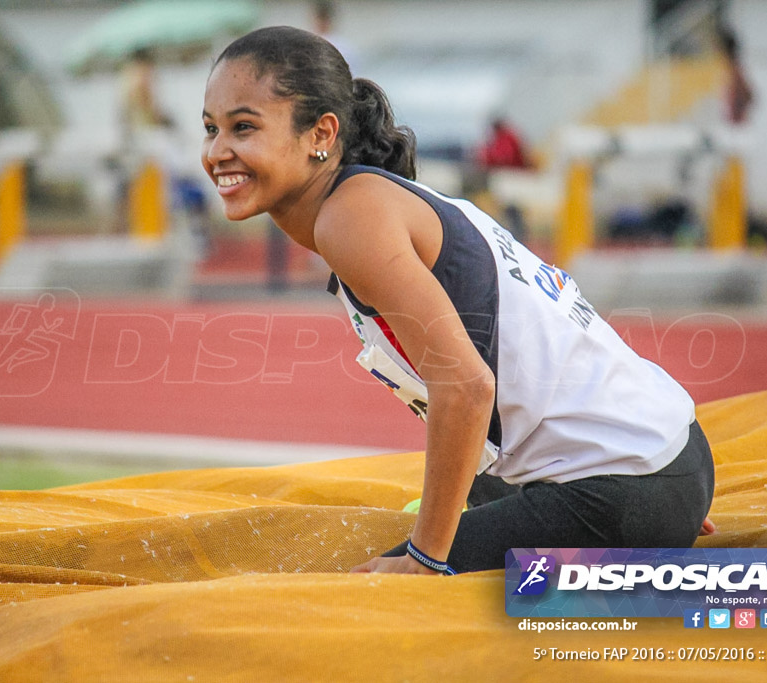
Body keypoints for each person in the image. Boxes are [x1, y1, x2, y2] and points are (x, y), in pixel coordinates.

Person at [200, 26, 715, 575]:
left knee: (366, 590)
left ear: (320, 133)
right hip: (668, 456)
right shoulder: (372, 201)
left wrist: (424, 558)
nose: (216, 152)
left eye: (244, 127)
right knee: (453, 508)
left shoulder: (351, 218)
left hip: (627, 485)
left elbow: (468, 388)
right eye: (210, 129)